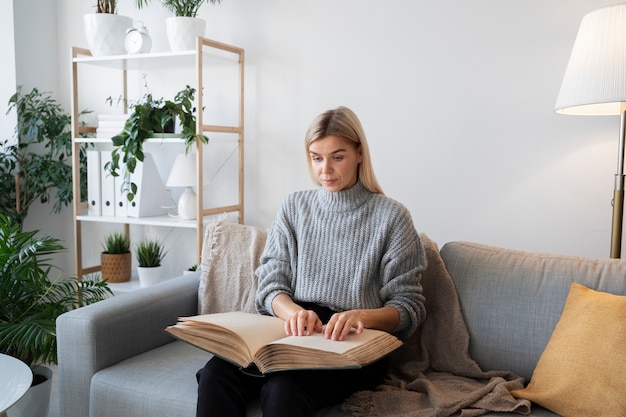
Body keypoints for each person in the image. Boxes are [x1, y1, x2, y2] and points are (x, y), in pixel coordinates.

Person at [196, 106, 427, 417]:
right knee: (214, 376)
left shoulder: (392, 217)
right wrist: (292, 312)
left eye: (338, 156)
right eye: (317, 158)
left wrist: (361, 316)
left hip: (354, 340)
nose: (325, 170)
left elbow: (409, 306)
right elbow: (271, 283)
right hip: (294, 329)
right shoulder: (294, 207)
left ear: (360, 153)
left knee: (282, 390)